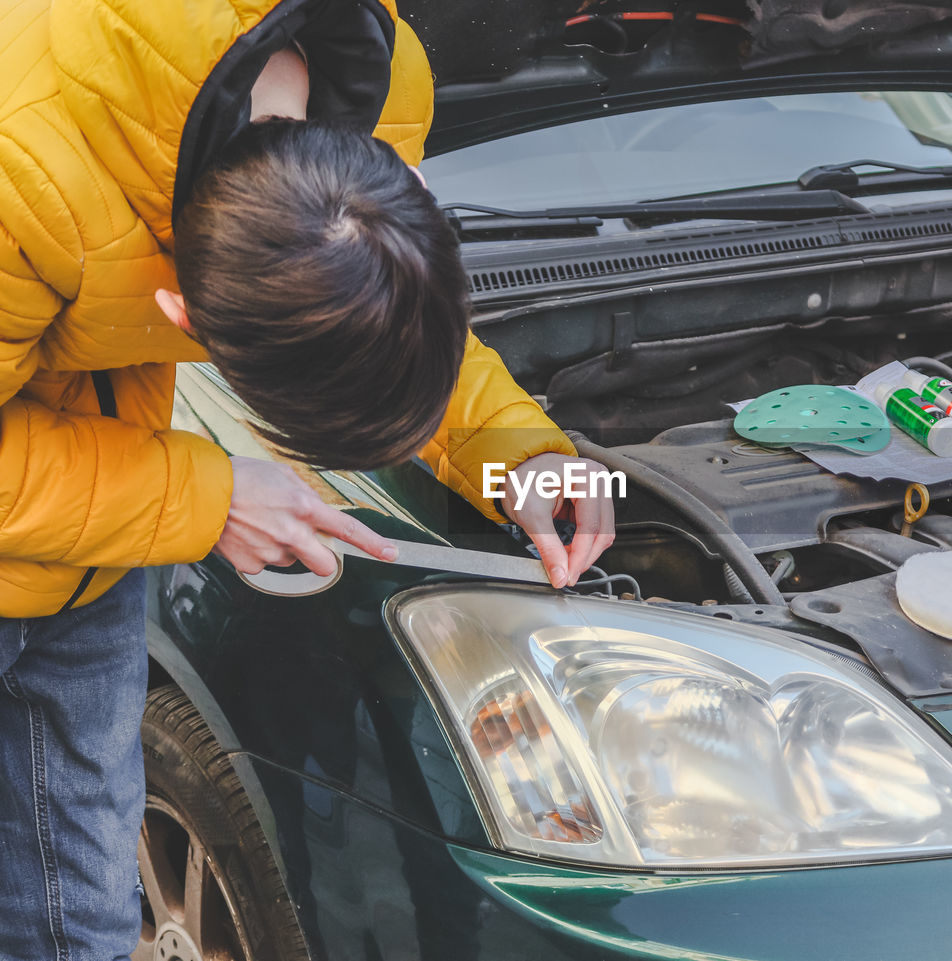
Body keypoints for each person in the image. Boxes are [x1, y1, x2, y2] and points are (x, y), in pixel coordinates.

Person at [0, 0, 614, 957]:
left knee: (80, 917)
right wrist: (207, 495)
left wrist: (522, 454)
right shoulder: (23, 163)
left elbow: (374, 295)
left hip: (84, 550)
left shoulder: (382, 84)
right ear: (182, 314)